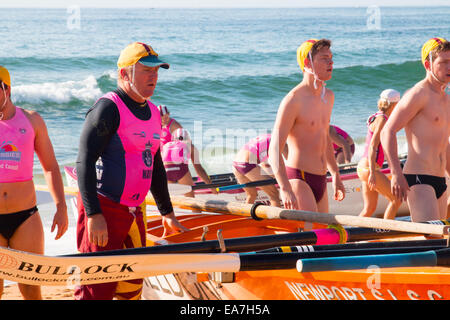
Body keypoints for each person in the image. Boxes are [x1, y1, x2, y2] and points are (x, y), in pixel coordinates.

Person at [75, 42, 188, 300]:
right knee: (95, 291)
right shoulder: (108, 108)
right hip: (105, 209)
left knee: (131, 289)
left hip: (135, 212)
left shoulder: (151, 112)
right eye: (146, 70)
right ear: (125, 74)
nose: (154, 76)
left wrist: (167, 212)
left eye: (157, 70)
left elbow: (155, 165)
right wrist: (93, 214)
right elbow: (84, 160)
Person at [0, 65, 68, 300]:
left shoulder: (31, 120)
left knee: (30, 287)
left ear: (6, 89)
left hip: (25, 217)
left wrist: (61, 207)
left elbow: (50, 167)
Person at [268, 39, 345, 213]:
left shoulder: (328, 97)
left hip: (321, 178)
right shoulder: (293, 100)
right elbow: (274, 149)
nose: (331, 62)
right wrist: (285, 188)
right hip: (299, 178)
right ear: (307, 63)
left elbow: (323, 137)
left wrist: (335, 174)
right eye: (324, 58)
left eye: (331, 58)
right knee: (310, 236)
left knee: (324, 235)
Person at [380, 37, 450, 222]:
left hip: (440, 180)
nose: (449, 67)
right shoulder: (419, 94)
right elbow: (387, 131)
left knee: (441, 240)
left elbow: (443, 143)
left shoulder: (445, 99)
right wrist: (396, 173)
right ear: (428, 64)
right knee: (432, 237)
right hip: (419, 180)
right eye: (443, 62)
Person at [357, 89, 402, 220]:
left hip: (363, 167)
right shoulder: (383, 120)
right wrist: (372, 172)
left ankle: (352, 236)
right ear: (394, 105)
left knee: (369, 208)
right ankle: (387, 231)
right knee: (396, 199)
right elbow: (373, 146)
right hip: (369, 168)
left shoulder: (377, 116)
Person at [232, 133, 287, 207]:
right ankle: (275, 218)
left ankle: (247, 216)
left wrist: (272, 175)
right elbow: (290, 162)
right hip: (247, 165)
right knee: (274, 194)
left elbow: (265, 165)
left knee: (252, 194)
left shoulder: (267, 137)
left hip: (236, 164)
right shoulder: (279, 141)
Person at [161, 127, 217, 197]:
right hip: (180, 171)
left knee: (170, 197)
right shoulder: (190, 146)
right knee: (190, 198)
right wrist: (212, 187)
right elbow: (199, 170)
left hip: (166, 172)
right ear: (188, 138)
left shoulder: (166, 146)